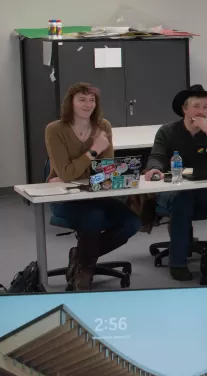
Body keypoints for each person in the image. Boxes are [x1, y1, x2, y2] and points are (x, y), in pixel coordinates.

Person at [44, 82, 141, 290]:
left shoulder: (103, 126)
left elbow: (108, 171)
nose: (88, 105)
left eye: (92, 100)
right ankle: (84, 273)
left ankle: (79, 256)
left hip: (98, 193)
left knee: (131, 222)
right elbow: (67, 173)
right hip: (64, 197)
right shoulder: (55, 130)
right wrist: (94, 151)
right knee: (93, 216)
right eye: (82, 99)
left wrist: (75, 172)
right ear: (70, 103)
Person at [144, 84, 207, 281]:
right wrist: (154, 168)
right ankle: (177, 262)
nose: (202, 111)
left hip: (205, 190)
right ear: (185, 109)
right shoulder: (168, 131)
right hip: (173, 191)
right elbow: (157, 156)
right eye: (197, 106)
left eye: (206, 107)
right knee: (183, 199)